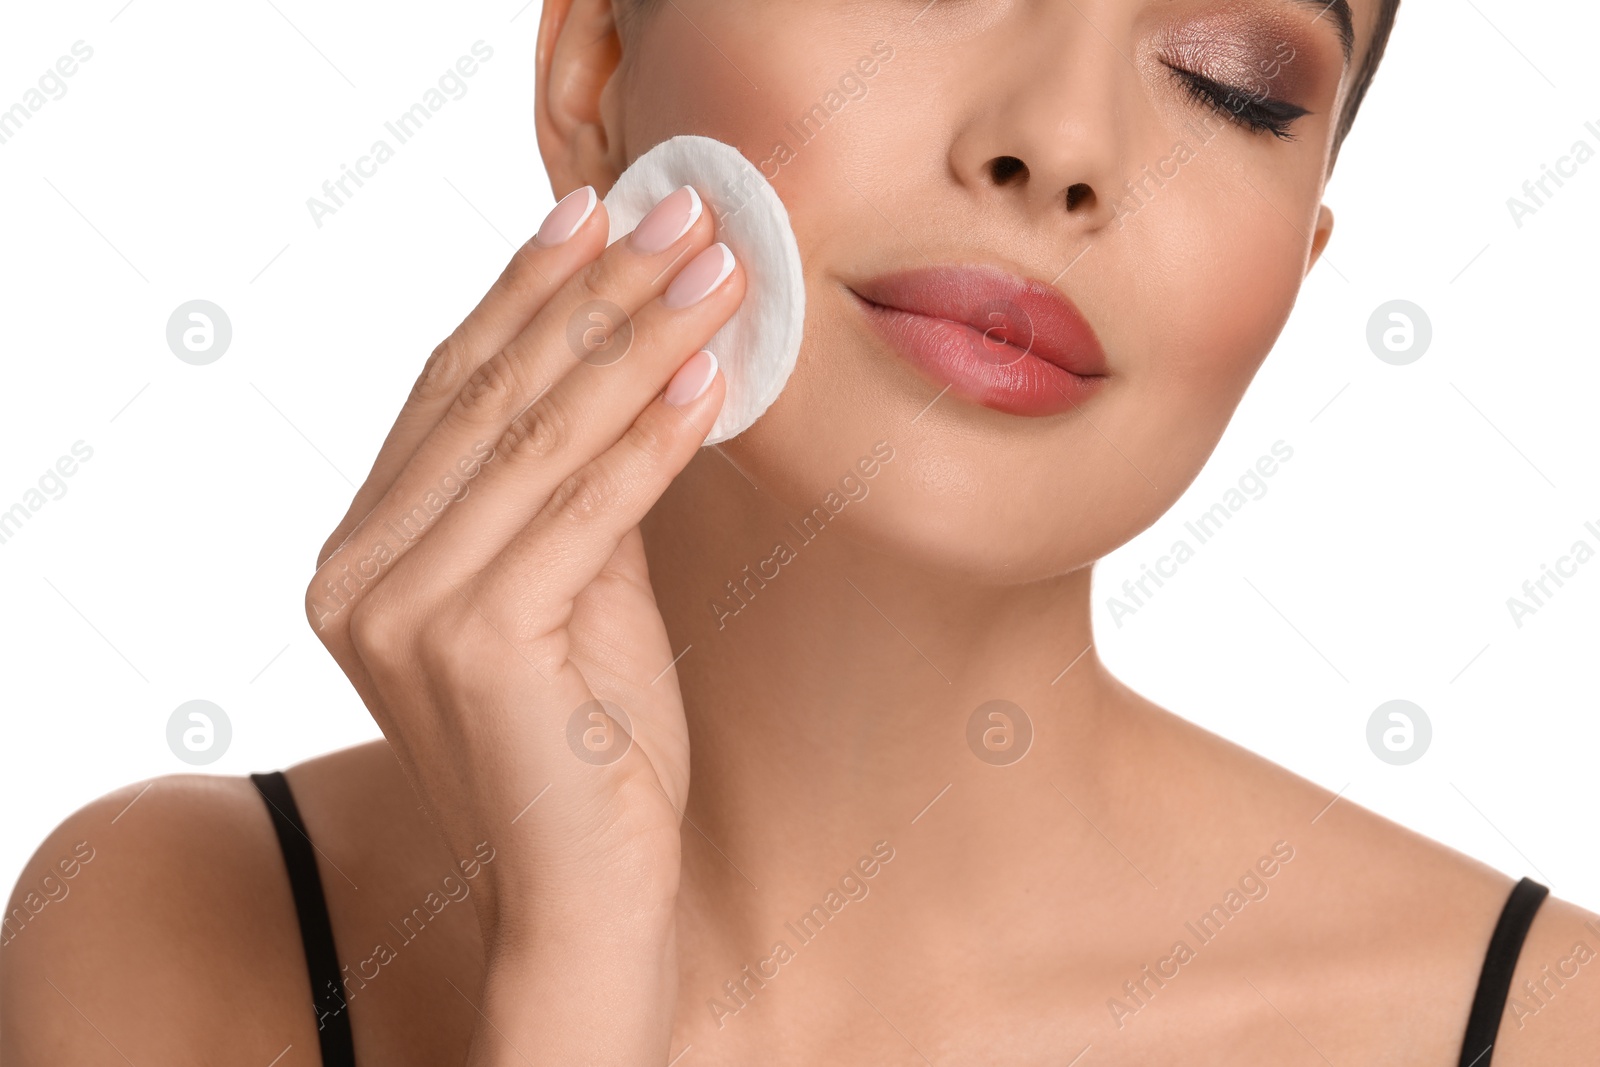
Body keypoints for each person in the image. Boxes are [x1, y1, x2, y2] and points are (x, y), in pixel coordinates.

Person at [5, 0, 1597, 1063]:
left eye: (1228, 79)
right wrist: (575, 978)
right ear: (597, 71)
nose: (1062, 147)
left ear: (1301, 268)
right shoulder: (179, 939)